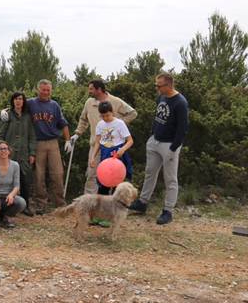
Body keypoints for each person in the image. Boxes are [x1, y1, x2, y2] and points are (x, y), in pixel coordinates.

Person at [129, 72, 189, 225]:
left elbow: (182, 129)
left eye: (159, 85)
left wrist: (173, 148)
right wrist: (152, 135)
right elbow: (158, 117)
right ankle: (142, 203)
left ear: (168, 85)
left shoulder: (180, 102)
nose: (156, 88)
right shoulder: (161, 97)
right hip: (155, 141)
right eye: (156, 85)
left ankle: (168, 210)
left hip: (169, 145)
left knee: (170, 178)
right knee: (150, 173)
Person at [70, 79, 137, 194]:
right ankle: (90, 202)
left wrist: (117, 124)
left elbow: (133, 113)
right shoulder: (89, 103)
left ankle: (114, 203)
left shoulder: (115, 101)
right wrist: (77, 133)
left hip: (114, 148)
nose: (89, 91)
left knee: (114, 175)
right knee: (92, 174)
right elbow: (83, 119)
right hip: (96, 145)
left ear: (99, 89)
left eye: (91, 89)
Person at [27, 79, 71, 214]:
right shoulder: (30, 103)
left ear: (51, 90)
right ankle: (41, 203)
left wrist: (68, 140)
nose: (45, 92)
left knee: (57, 173)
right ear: (38, 90)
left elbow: (63, 123)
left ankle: (60, 202)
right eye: (43, 90)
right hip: (37, 143)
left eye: (48, 90)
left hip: (53, 142)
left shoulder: (54, 105)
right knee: (38, 175)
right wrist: (5, 111)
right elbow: (15, 105)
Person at [0, 91, 37, 216]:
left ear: (23, 101)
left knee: (25, 180)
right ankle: (7, 206)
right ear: (12, 101)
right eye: (15, 99)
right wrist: (2, 150)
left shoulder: (27, 116)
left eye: (20, 98)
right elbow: (1, 135)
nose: (18, 101)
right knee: (7, 180)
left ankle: (25, 206)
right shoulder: (7, 115)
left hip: (24, 154)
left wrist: (32, 153)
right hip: (10, 154)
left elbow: (32, 136)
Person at [90, 101, 134, 195]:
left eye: (107, 115)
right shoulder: (100, 125)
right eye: (103, 116)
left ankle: (117, 207)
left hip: (117, 156)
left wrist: (123, 149)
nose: (105, 118)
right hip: (105, 155)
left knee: (117, 185)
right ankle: (101, 207)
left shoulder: (119, 123)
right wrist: (93, 157)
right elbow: (98, 142)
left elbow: (130, 141)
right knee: (103, 184)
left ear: (112, 112)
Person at [0, 141, 27, 230]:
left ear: (9, 151)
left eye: (6, 149)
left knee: (21, 202)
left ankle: (5, 216)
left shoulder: (15, 165)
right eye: (1, 149)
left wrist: (11, 195)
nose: (4, 151)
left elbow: (16, 186)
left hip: (8, 198)